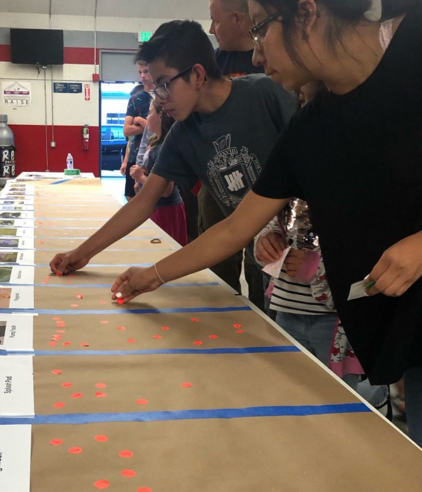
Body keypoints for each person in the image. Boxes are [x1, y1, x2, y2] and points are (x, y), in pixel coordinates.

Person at [110, 0, 422, 446]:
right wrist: (152, 275)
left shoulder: (413, 42)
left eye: (260, 31)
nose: (256, 55)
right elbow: (237, 227)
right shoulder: (312, 123)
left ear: (307, 13)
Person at [50, 21, 297, 280]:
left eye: (164, 84)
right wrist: (83, 253)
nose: (158, 97)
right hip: (264, 256)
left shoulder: (264, 94)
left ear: (198, 75)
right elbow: (144, 201)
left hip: (308, 250)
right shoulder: (183, 134)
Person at [202, 0, 267, 306]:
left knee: (261, 264)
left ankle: (261, 322)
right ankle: (222, 319)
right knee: (219, 260)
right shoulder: (213, 63)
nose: (212, 30)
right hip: (219, 177)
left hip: (263, 179)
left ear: (238, 19)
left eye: (216, 21)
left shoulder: (269, 58)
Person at [130, 102, 188, 245]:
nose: (147, 117)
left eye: (150, 113)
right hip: (155, 206)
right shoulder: (154, 141)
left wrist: (141, 178)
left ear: (160, 116)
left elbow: (166, 191)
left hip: (165, 209)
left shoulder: (164, 148)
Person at [121, 64, 154, 200]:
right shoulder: (135, 99)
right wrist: (147, 126)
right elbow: (127, 131)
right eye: (139, 72)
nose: (142, 76)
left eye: (146, 71)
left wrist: (140, 121)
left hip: (154, 155)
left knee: (151, 196)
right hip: (136, 155)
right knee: (131, 195)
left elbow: (164, 129)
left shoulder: (163, 96)